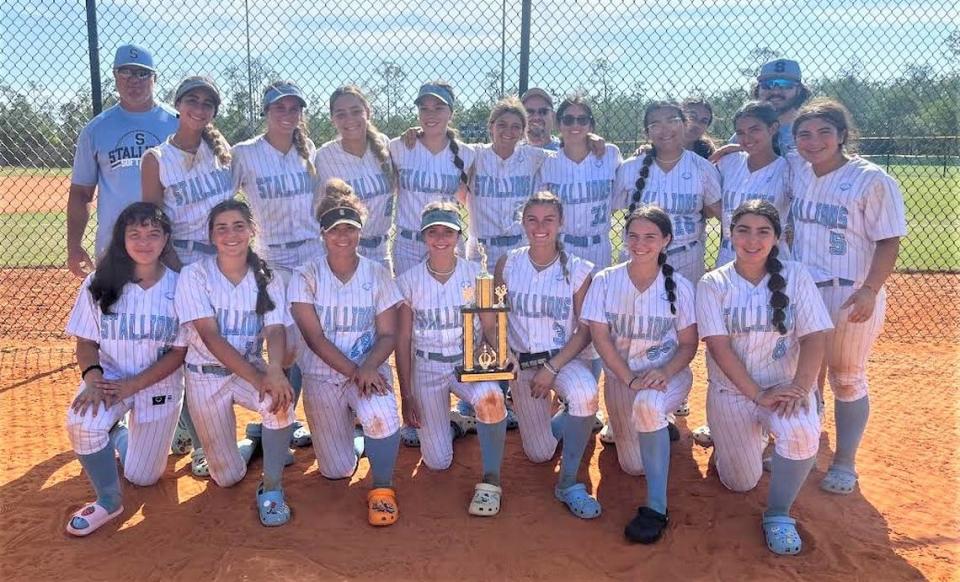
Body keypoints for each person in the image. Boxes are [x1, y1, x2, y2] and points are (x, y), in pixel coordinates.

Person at [697, 200, 832, 555]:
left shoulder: (796, 275)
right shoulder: (713, 283)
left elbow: (815, 335)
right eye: (743, 230)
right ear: (730, 235)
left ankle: (778, 514)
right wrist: (757, 394)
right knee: (740, 482)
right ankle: (734, 443)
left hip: (784, 388)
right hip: (733, 393)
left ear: (777, 238)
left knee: (803, 429)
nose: (752, 240)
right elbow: (718, 348)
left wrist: (803, 387)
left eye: (763, 232)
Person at [789, 98, 906, 495]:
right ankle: (802, 449)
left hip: (849, 292)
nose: (814, 141)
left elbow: (889, 240)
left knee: (847, 377)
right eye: (804, 134)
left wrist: (870, 290)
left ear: (842, 135)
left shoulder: (871, 179)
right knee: (805, 376)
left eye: (824, 132)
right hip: (804, 291)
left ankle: (844, 462)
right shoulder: (800, 173)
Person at [64, 202, 186, 536]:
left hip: (158, 384)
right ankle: (107, 499)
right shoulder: (98, 282)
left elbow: (178, 353)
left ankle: (118, 433)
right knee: (82, 422)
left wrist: (135, 386)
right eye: (135, 234)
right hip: (111, 378)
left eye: (153, 234)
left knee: (143, 476)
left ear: (166, 240)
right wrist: (93, 378)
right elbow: (86, 343)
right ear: (122, 238)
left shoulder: (181, 286)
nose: (144, 242)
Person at [289, 180, 404, 526]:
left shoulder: (377, 273)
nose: (343, 236)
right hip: (324, 375)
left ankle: (382, 489)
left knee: (382, 414)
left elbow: (388, 334)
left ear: (360, 231)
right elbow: (313, 338)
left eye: (350, 229)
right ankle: (357, 438)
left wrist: (369, 368)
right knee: (337, 470)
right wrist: (357, 371)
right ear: (322, 233)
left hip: (369, 371)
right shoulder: (306, 274)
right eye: (335, 229)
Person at [175, 199, 296, 527]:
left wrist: (272, 370)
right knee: (226, 477)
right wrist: (260, 380)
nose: (231, 234)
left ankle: (271, 488)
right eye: (222, 228)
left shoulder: (266, 276)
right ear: (212, 236)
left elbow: (274, 327)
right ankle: (256, 442)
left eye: (239, 226)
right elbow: (211, 338)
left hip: (252, 366)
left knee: (280, 403)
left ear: (252, 231)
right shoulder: (195, 275)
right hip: (205, 376)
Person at [583, 205, 698, 544]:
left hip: (667, 376)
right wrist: (628, 378)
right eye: (633, 236)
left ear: (666, 240)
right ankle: (658, 430)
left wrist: (664, 370)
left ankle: (656, 507)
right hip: (623, 378)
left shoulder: (679, 285)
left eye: (650, 237)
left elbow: (689, 344)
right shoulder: (606, 280)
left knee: (648, 407)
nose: (640, 243)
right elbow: (599, 336)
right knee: (633, 464)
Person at [141, 75, 234, 475]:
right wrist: (182, 272)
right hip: (182, 264)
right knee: (191, 350)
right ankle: (196, 441)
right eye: (192, 100)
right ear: (178, 104)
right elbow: (152, 223)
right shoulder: (157, 158)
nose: (199, 108)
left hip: (222, 264)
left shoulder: (223, 155)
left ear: (214, 112)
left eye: (207, 103)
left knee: (210, 349)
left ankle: (190, 431)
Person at [396, 202, 509, 516]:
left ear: (459, 235)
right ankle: (457, 424)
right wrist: (406, 395)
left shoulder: (477, 275)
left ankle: (491, 479)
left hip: (466, 364)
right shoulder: (408, 280)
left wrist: (502, 356)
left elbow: (489, 326)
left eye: (448, 231)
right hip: (426, 365)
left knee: (491, 398)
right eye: (433, 231)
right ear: (423, 236)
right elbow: (403, 339)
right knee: (437, 461)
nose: (441, 237)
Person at [495, 192, 602, 520]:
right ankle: (571, 421)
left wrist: (553, 368)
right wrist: (505, 354)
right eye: (532, 219)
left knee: (585, 394)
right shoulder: (508, 263)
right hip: (522, 362)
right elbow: (496, 315)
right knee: (539, 453)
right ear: (523, 222)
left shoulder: (580, 269)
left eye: (548, 220)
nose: (540, 227)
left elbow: (584, 330)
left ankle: (569, 482)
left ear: (561, 223)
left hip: (566, 358)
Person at [232, 80, 316, 449]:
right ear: (265, 112)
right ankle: (277, 416)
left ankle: (286, 416)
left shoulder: (307, 149)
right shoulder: (245, 153)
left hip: (312, 254)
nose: (287, 114)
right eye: (279, 108)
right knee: (278, 336)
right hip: (272, 256)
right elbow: (223, 201)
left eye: (293, 108)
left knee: (305, 338)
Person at [67, 43, 179, 277]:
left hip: (170, 246)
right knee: (112, 311)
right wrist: (74, 245)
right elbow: (81, 194)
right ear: (115, 76)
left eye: (142, 72)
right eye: (125, 71)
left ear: (154, 78)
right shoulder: (96, 129)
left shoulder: (178, 123)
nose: (133, 80)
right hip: (114, 246)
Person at [614, 100, 720, 285]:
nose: (665, 129)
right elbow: (609, 207)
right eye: (655, 124)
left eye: (672, 120)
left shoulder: (703, 168)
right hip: (639, 257)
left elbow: (721, 214)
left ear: (684, 124)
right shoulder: (629, 168)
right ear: (647, 133)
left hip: (687, 258)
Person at [390, 81, 475, 275]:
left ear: (451, 113)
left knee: (453, 303)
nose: (431, 114)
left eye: (439, 108)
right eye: (424, 108)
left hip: (448, 241)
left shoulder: (467, 154)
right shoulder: (399, 147)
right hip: (408, 244)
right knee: (409, 302)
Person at [314, 85, 396, 270]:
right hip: (344, 251)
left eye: (356, 111)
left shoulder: (384, 145)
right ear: (332, 119)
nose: (349, 119)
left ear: (368, 112)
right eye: (341, 114)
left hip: (382, 250)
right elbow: (316, 209)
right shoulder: (324, 157)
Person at [537, 94, 622, 271]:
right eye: (568, 120)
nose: (575, 125)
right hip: (561, 246)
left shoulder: (610, 154)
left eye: (582, 120)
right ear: (559, 125)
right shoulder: (547, 161)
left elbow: (618, 196)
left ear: (590, 125)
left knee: (596, 297)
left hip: (599, 246)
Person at [466, 96, 548, 266]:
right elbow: (444, 145)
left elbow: (568, 154)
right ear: (491, 126)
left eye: (515, 127)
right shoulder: (474, 155)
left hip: (519, 248)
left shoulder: (533, 157)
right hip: (481, 251)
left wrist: (591, 141)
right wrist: (418, 133)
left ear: (523, 131)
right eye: (502, 125)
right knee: (482, 293)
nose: (508, 132)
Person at [712, 101, 792, 268]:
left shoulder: (788, 169)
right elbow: (703, 186)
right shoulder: (729, 162)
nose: (747, 138)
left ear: (773, 128)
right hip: (729, 253)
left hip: (770, 255)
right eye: (741, 132)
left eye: (754, 130)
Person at [728, 59, 812, 154]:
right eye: (767, 85)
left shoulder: (811, 130)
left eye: (785, 85)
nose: (775, 92)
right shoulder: (743, 134)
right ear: (758, 89)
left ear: (799, 90)